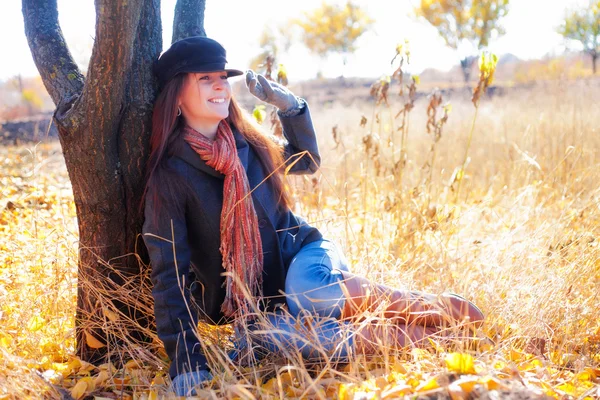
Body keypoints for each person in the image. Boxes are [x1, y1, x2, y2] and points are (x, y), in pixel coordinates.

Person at [141, 36, 484, 397]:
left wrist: (289, 106)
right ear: (177, 94)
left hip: (305, 258)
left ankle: (439, 306)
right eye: (204, 78)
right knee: (279, 340)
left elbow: (306, 159)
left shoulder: (247, 144)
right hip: (259, 308)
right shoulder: (170, 178)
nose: (220, 86)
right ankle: (435, 335)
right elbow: (170, 276)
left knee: (307, 292)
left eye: (223, 77)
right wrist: (186, 364)